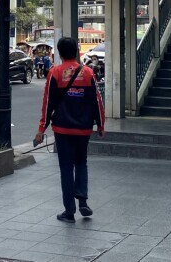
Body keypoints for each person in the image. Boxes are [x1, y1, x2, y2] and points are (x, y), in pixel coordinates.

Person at [34, 37, 105, 224]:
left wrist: (41, 129)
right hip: (83, 129)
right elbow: (97, 100)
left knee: (66, 168)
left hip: (63, 129)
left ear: (59, 52)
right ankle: (82, 199)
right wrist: (101, 124)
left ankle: (69, 212)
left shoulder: (55, 73)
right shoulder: (88, 73)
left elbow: (47, 103)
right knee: (81, 163)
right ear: (76, 51)